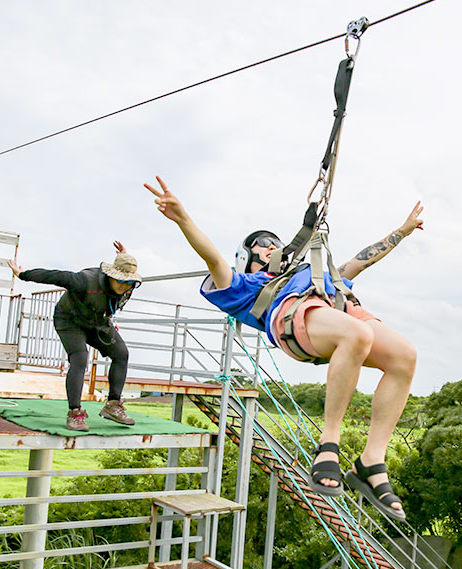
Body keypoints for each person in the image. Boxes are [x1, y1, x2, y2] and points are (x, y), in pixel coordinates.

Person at [144, 176, 423, 522]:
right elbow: (213, 259)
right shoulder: (246, 284)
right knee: (357, 336)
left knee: (404, 356)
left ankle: (370, 461)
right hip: (293, 316)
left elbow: (361, 261)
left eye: (274, 241)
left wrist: (403, 230)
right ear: (249, 258)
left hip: (335, 305)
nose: (272, 245)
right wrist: (184, 219)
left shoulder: (317, 272)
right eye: (262, 244)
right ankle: (328, 445)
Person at [7, 242, 141, 432]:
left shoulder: (128, 285)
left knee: (122, 354)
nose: (124, 285)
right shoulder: (84, 280)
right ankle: (75, 413)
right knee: (80, 358)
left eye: (128, 282)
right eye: (120, 280)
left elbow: (126, 275)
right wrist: (23, 274)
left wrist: (124, 259)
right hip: (70, 321)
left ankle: (112, 405)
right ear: (110, 275)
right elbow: (54, 276)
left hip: (97, 322)